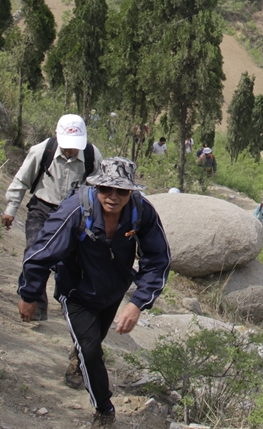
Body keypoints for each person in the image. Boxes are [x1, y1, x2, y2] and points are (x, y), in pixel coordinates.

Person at [18, 157, 170, 428]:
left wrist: (137, 303)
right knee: (91, 350)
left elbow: (158, 259)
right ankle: (104, 410)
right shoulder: (75, 210)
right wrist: (30, 295)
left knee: (90, 345)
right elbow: (41, 253)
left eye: (121, 191)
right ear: (96, 186)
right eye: (105, 189)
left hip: (113, 290)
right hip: (75, 290)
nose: (112, 197)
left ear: (131, 192)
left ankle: (78, 360)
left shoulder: (141, 211)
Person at [3, 114, 101, 321]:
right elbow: (22, 180)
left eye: (74, 146)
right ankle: (35, 303)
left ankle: (69, 302)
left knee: (69, 262)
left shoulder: (92, 156)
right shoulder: (42, 151)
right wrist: (11, 209)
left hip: (75, 214)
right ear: (57, 136)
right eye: (66, 145)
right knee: (35, 252)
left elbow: (100, 192)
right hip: (42, 208)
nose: (70, 150)